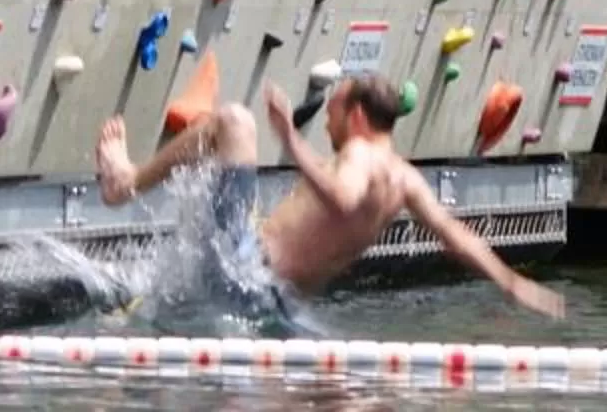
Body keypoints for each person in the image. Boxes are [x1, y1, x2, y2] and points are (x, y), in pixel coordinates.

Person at [94, 78, 560, 320]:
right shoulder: (405, 178)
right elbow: (456, 236)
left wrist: (290, 138)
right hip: (276, 302)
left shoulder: (358, 155)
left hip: (245, 271)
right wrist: (511, 282)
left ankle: (126, 182)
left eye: (333, 111)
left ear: (355, 115)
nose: (328, 122)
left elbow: (342, 197)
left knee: (234, 122)